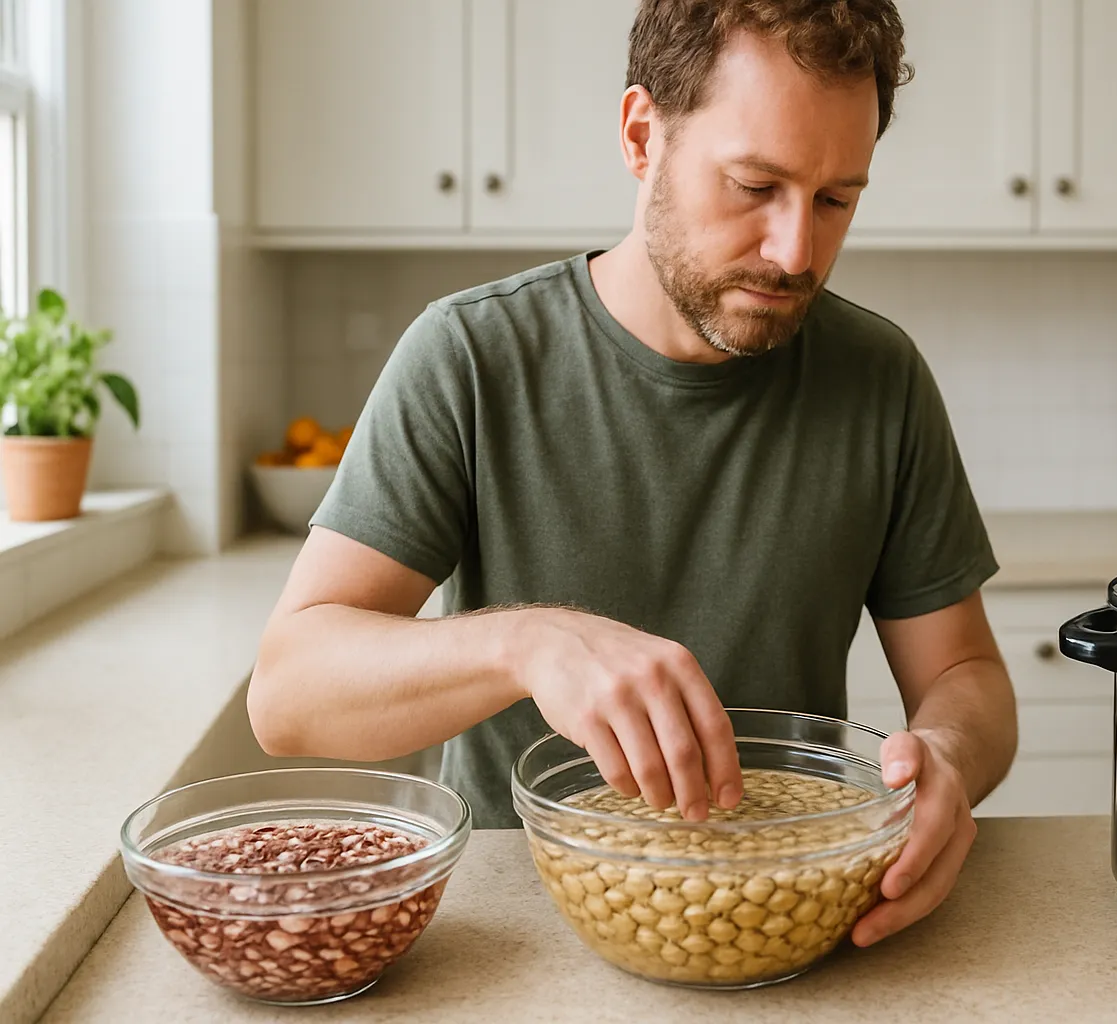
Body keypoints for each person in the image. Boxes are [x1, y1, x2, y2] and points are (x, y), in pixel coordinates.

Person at [247, 0, 1017, 948]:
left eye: (834, 200)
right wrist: (528, 644)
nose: (795, 253)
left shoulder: (879, 377)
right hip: (524, 929)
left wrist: (944, 758)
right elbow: (289, 692)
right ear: (642, 135)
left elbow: (966, 673)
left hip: (787, 917)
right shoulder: (470, 357)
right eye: (753, 185)